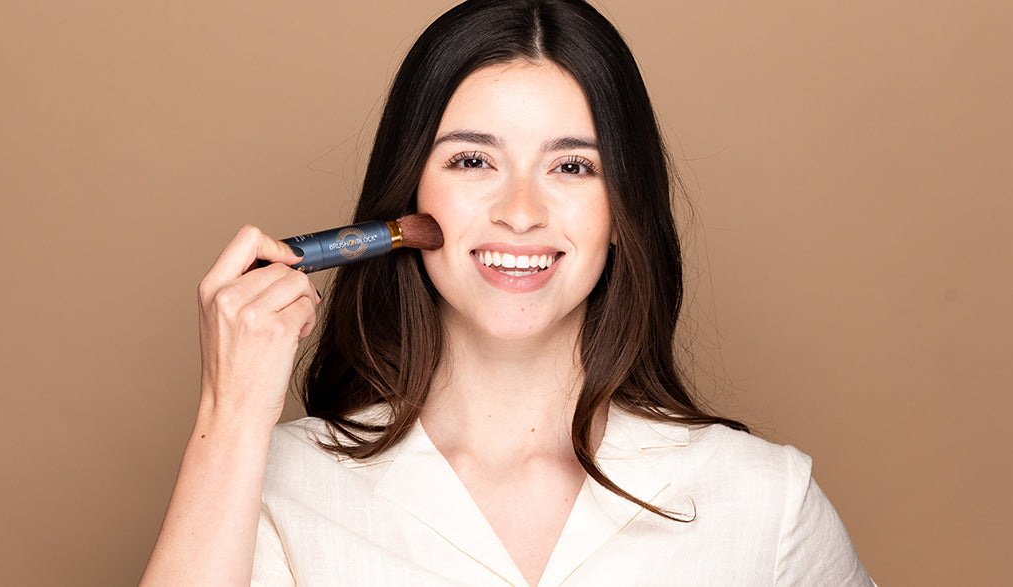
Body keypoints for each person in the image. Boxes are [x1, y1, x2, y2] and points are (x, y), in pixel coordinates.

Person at [142, 0, 875, 585]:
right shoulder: (280, 487)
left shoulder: (764, 501)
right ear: (411, 195)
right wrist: (228, 414)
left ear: (622, 211)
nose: (520, 211)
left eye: (572, 168)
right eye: (472, 160)